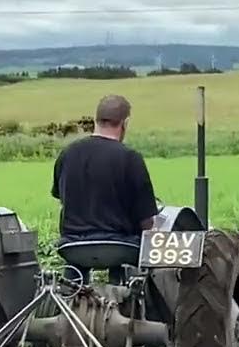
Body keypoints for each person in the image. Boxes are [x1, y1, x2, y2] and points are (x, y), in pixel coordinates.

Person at [51, 94, 159, 283]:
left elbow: (62, 199)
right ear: (124, 123)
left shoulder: (67, 154)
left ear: (96, 120)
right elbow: (146, 222)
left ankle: (70, 295)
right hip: (119, 245)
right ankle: (124, 297)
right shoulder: (130, 158)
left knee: (74, 270)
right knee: (132, 257)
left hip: (73, 245)